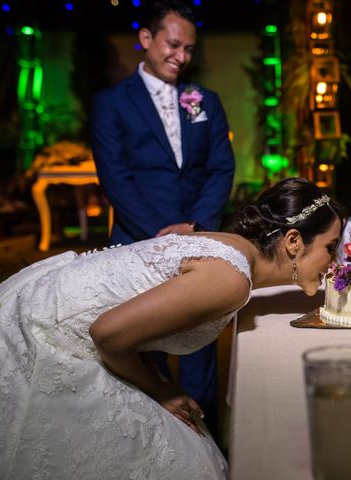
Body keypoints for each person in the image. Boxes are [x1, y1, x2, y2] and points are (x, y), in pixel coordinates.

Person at [0, 178, 344, 479]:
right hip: (54, 336)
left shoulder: (235, 249)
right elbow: (107, 334)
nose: (335, 261)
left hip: (65, 307)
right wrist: (161, 390)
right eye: (331, 247)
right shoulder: (231, 280)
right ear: (294, 241)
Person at [90, 0, 235, 428]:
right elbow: (115, 177)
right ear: (146, 39)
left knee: (200, 345)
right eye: (173, 45)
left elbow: (221, 166)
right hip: (137, 241)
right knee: (143, 349)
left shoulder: (201, 99)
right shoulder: (111, 102)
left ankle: (206, 438)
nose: (182, 56)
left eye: (189, 48)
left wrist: (193, 227)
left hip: (198, 239)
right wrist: (160, 231)